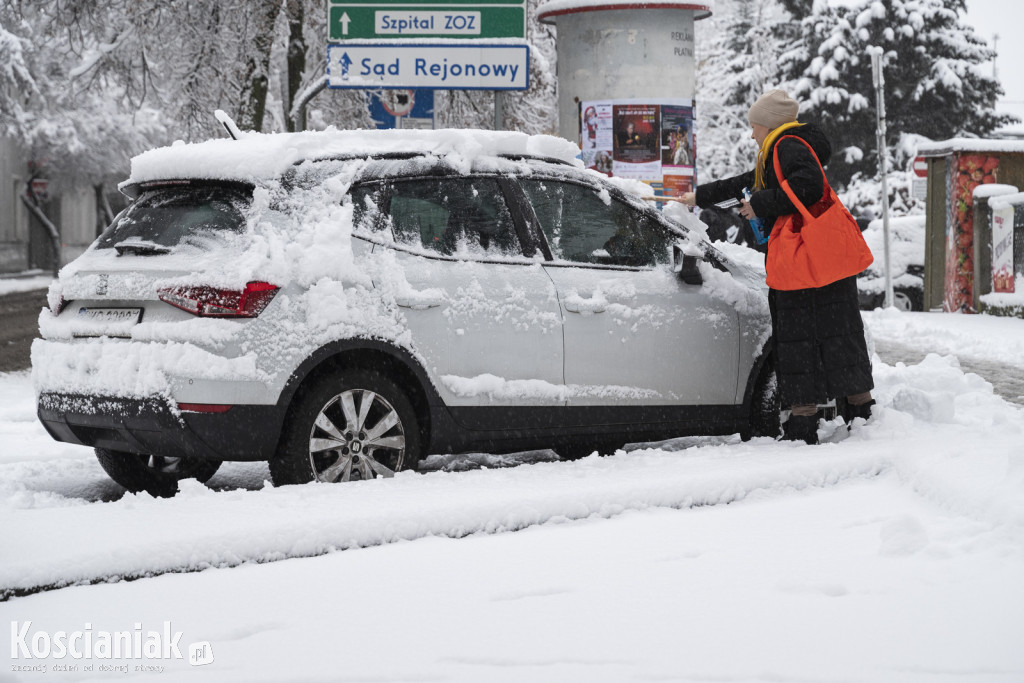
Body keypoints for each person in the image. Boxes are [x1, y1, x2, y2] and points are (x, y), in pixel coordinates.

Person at [680, 89, 874, 444]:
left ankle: (805, 423)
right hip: (822, 260)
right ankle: (859, 412)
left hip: (803, 258)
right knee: (837, 335)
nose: (752, 134)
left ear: (768, 125)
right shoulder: (780, 149)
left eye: (754, 127)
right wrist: (700, 197)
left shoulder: (786, 146)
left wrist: (761, 204)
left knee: (797, 337)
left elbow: (808, 187)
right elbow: (746, 184)